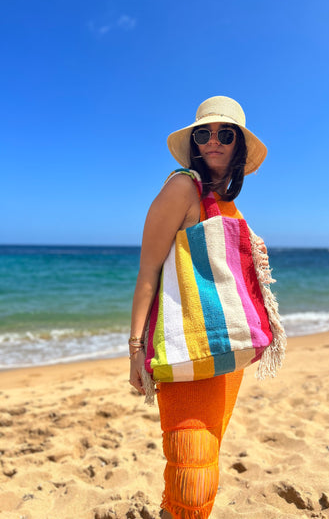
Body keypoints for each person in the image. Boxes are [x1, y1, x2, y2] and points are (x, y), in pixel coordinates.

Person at [129, 96, 281, 519]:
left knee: (205, 464)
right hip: (188, 346)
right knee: (190, 473)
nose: (214, 141)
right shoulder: (183, 188)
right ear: (195, 142)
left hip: (225, 350)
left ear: (238, 146)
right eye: (204, 133)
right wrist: (136, 348)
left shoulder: (230, 206)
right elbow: (148, 271)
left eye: (225, 134)